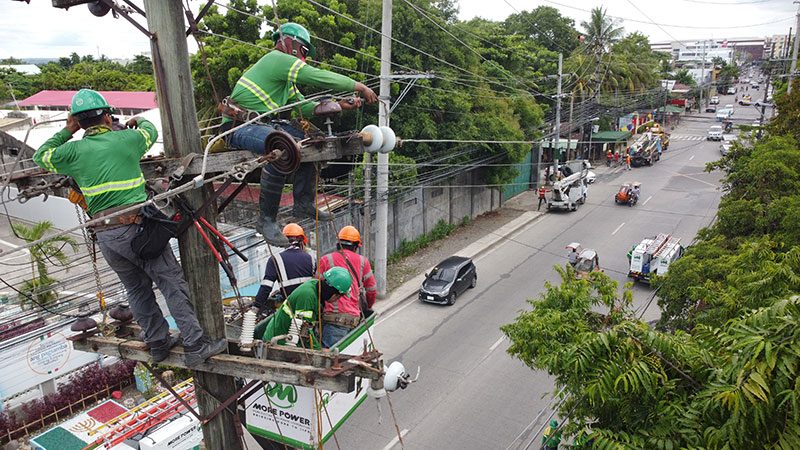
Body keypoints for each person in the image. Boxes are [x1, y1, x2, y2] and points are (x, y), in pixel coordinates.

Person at [33, 90, 226, 368]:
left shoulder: (71, 152)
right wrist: (136, 121)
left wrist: (67, 130)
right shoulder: (128, 138)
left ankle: (158, 343)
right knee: (171, 283)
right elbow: (149, 129)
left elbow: (42, 155)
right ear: (108, 116)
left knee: (137, 290)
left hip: (106, 236)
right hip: (135, 229)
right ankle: (196, 345)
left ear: (78, 121)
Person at [219, 22, 378, 247]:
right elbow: (316, 76)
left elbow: (303, 106)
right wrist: (359, 86)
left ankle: (303, 202)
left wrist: (340, 105)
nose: (305, 57)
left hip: (264, 125)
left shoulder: (284, 84)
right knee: (282, 147)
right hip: (238, 128)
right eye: (304, 51)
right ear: (291, 44)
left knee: (312, 143)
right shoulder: (276, 59)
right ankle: (266, 221)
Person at [261, 267, 352, 349]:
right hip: (278, 341)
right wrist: (319, 351)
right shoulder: (308, 297)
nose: (337, 299)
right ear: (334, 293)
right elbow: (305, 333)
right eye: (339, 296)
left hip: (283, 337)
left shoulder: (314, 284)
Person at [317, 225, 377, 348]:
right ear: (355, 247)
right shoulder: (363, 261)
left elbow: (315, 288)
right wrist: (368, 307)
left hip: (333, 320)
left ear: (338, 244)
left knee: (329, 361)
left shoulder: (326, 259)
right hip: (354, 320)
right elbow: (372, 290)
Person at [250, 223, 315, 316]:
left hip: (291, 308)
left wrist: (255, 307)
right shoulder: (311, 258)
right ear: (302, 241)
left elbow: (266, 287)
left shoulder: (275, 259)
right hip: (310, 308)